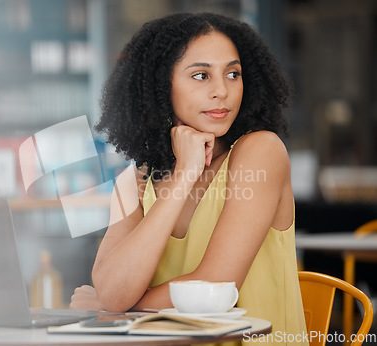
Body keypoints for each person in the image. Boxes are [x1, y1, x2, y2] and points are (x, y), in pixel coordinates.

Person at [71, 12, 307, 344]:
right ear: (159, 86)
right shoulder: (134, 181)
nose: (222, 91)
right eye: (200, 75)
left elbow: (215, 286)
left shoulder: (261, 152)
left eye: (233, 73)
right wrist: (184, 174)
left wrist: (121, 308)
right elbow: (112, 290)